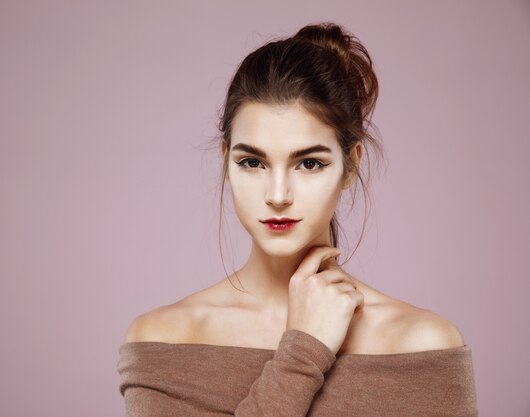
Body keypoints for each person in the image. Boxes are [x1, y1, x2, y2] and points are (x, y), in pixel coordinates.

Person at [117, 21, 478, 416]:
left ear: (350, 166)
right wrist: (304, 350)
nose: (277, 196)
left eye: (309, 163)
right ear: (226, 162)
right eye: (252, 162)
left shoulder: (421, 346)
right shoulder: (165, 340)